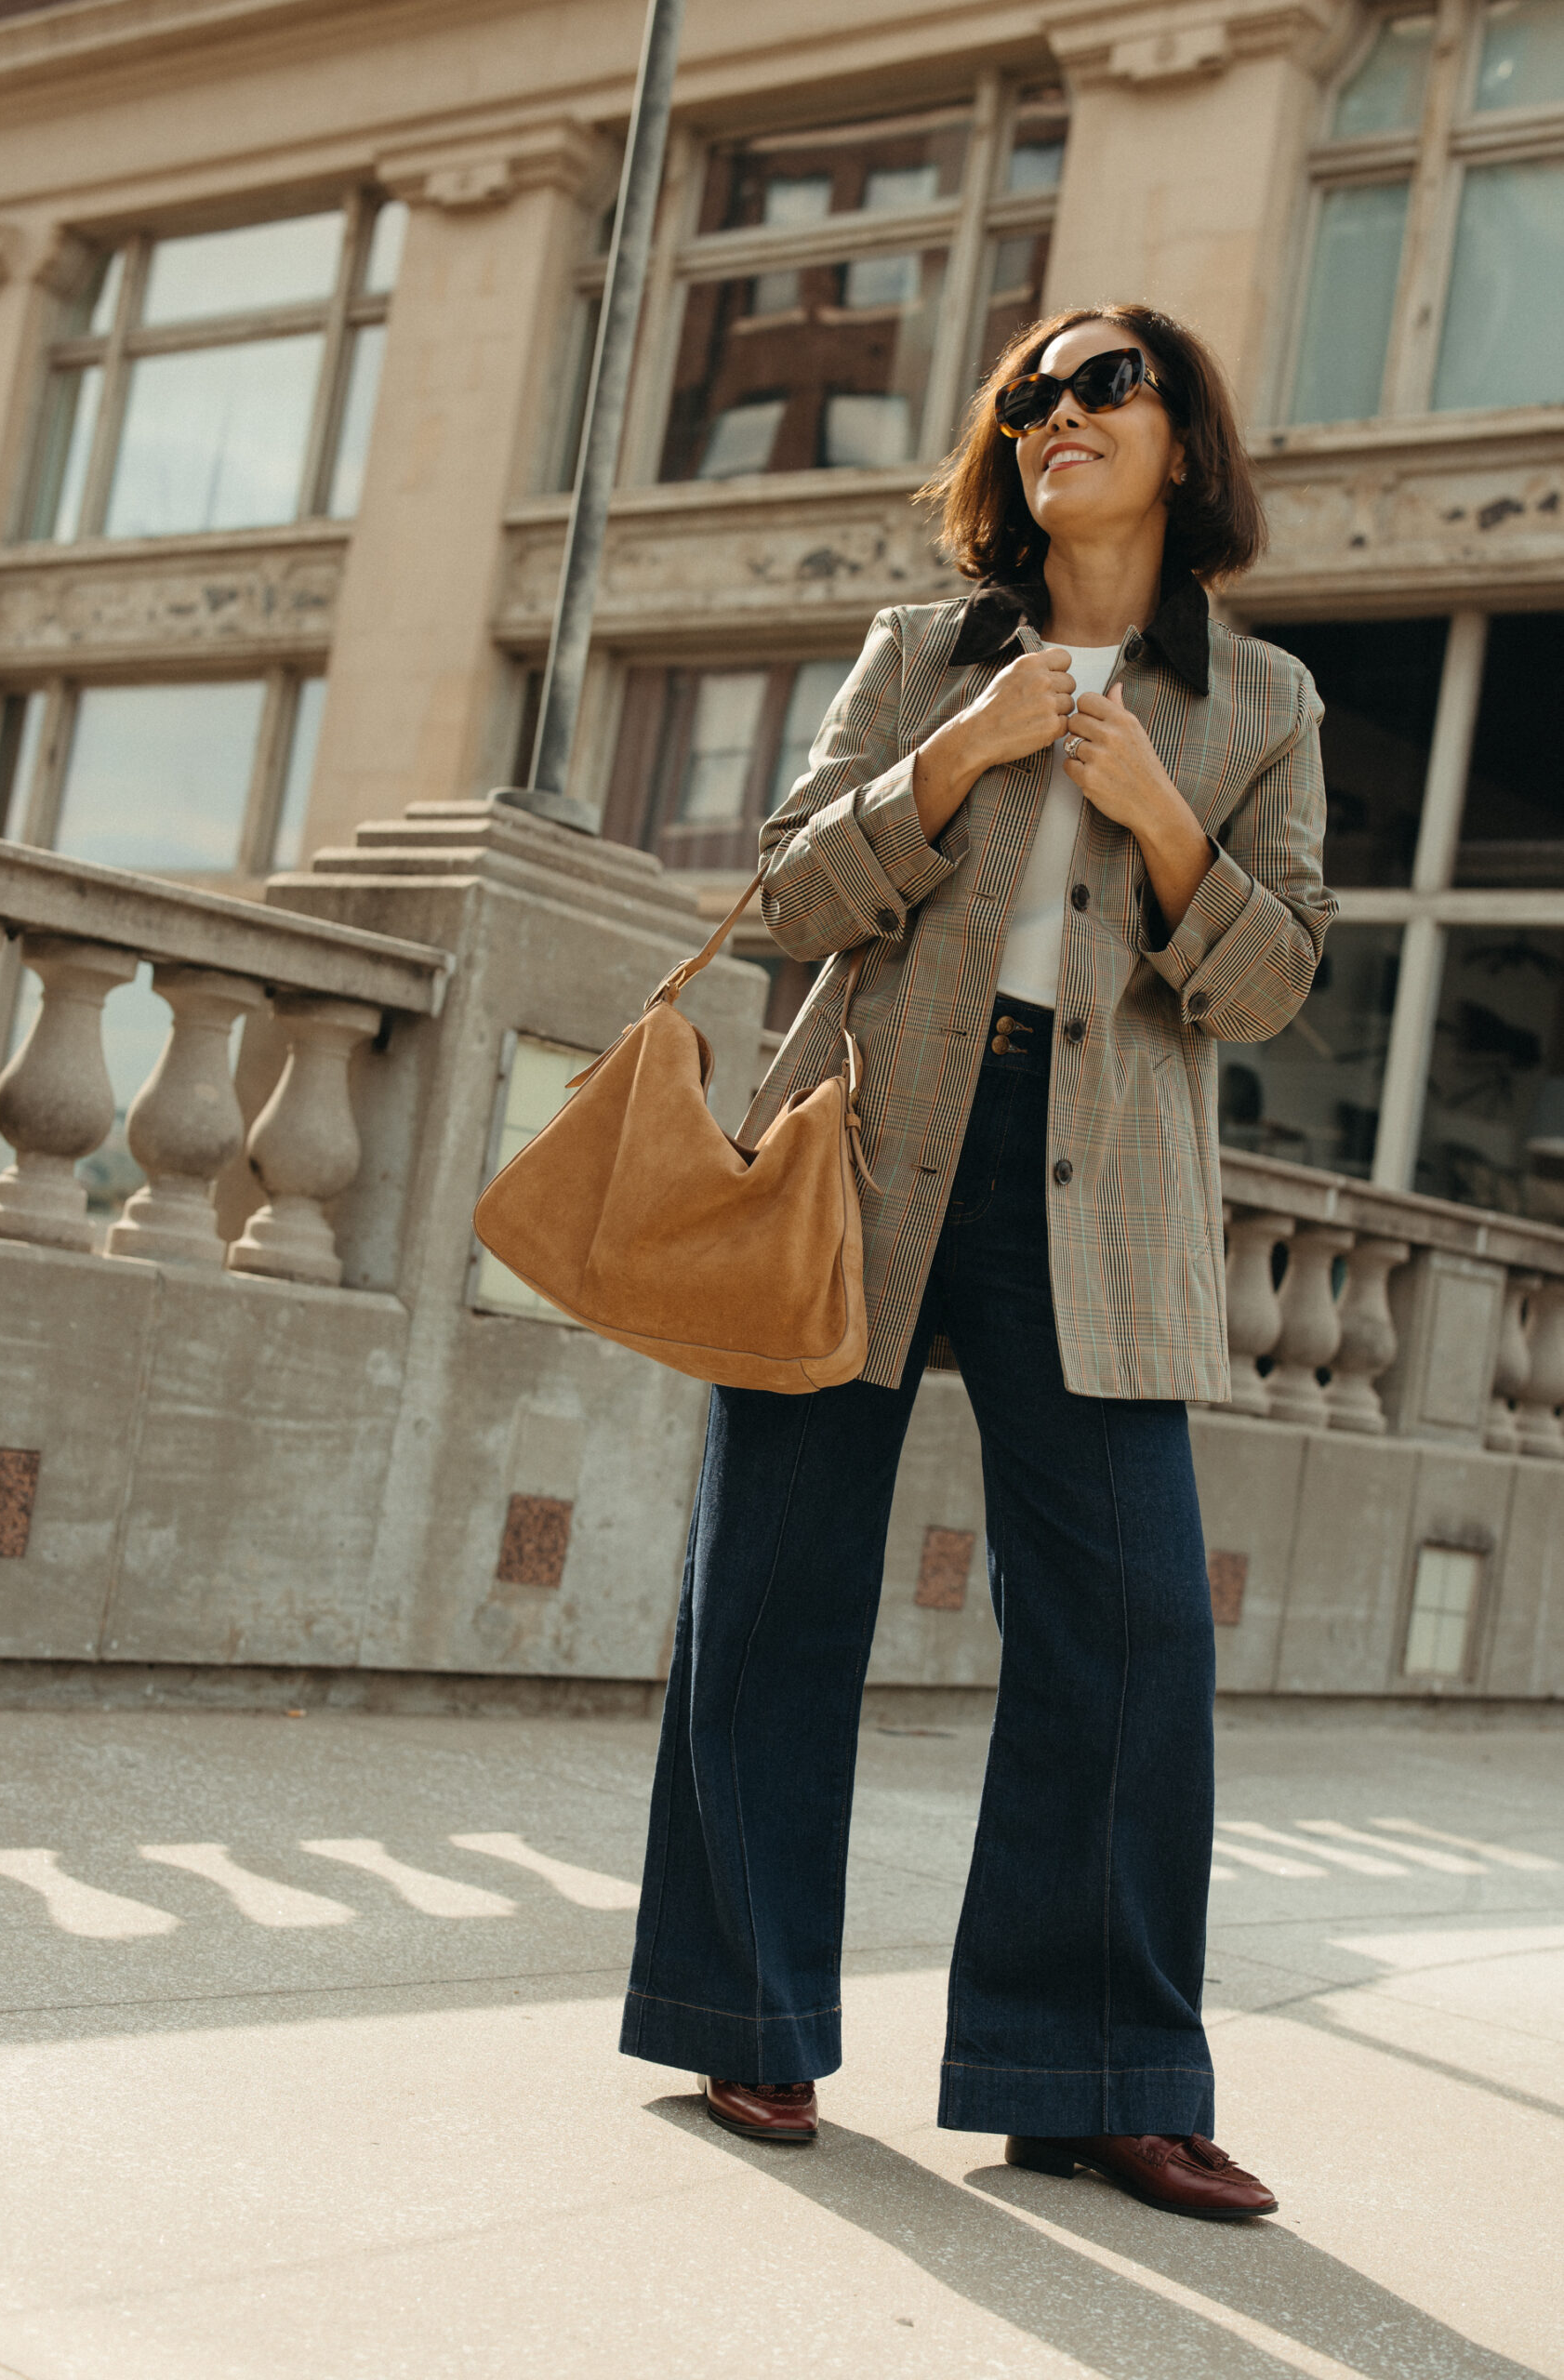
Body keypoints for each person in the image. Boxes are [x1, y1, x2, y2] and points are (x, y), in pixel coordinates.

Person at [619, 303, 1335, 2221]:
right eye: (1028, 389)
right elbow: (777, 891)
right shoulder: (919, 653)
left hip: (1097, 1184)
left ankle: (1091, 2072)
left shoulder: (1261, 705)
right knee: (769, 1582)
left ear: (1180, 436)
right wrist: (957, 757)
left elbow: (1269, 982)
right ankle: (740, 2003)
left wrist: (1162, 817)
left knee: (1133, 1633)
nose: (1053, 412)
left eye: (1102, 382)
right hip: (862, 1143)